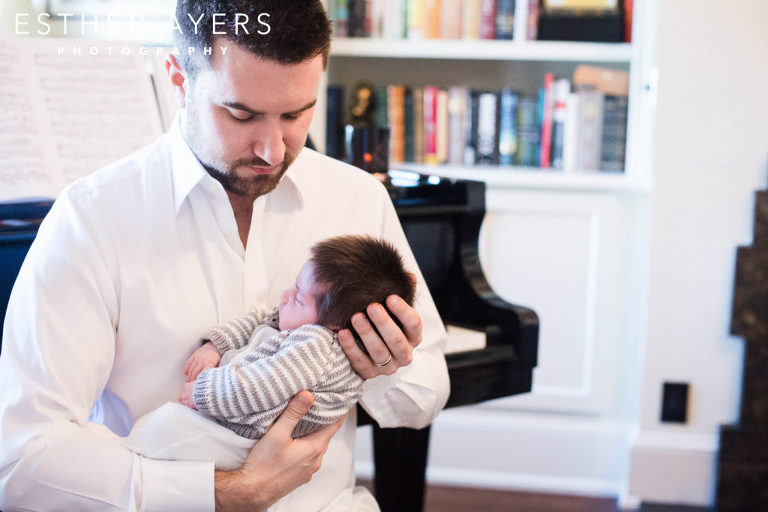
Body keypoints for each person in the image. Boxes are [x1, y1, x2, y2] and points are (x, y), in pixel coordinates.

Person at [0, 1, 450, 511]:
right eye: (241, 114)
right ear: (177, 78)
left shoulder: (357, 197)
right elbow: (19, 458)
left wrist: (387, 365)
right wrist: (221, 496)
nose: (273, 151)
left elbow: (425, 397)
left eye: (296, 114)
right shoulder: (92, 218)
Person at [177, 234, 416, 441]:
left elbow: (263, 384)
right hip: (230, 416)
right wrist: (216, 347)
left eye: (299, 298)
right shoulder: (306, 325)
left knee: (159, 432)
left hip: (240, 433)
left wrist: (202, 393)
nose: (285, 296)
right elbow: (260, 320)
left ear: (334, 326)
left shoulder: (317, 346)